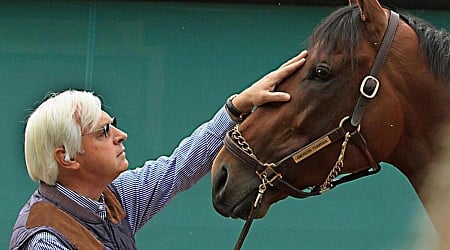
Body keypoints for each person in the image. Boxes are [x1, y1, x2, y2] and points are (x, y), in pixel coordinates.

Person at [10, 50, 307, 250]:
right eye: (104, 131)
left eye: (113, 125)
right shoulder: (45, 240)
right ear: (68, 158)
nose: (120, 135)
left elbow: (179, 169)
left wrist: (237, 107)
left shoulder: (112, 196)